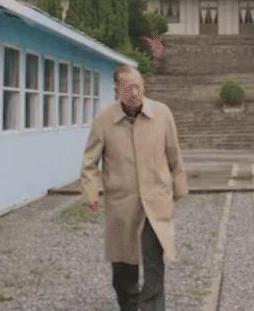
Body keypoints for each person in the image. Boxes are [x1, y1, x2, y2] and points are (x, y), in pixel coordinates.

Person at [80, 60, 187, 311]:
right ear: (117, 90)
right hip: (122, 203)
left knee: (153, 259)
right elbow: (90, 163)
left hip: (155, 199)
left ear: (144, 86)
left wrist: (179, 186)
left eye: (139, 86)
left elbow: (173, 154)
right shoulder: (104, 119)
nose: (135, 92)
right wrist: (90, 192)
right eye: (128, 87)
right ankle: (128, 303)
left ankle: (152, 306)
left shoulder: (162, 113)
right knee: (123, 262)